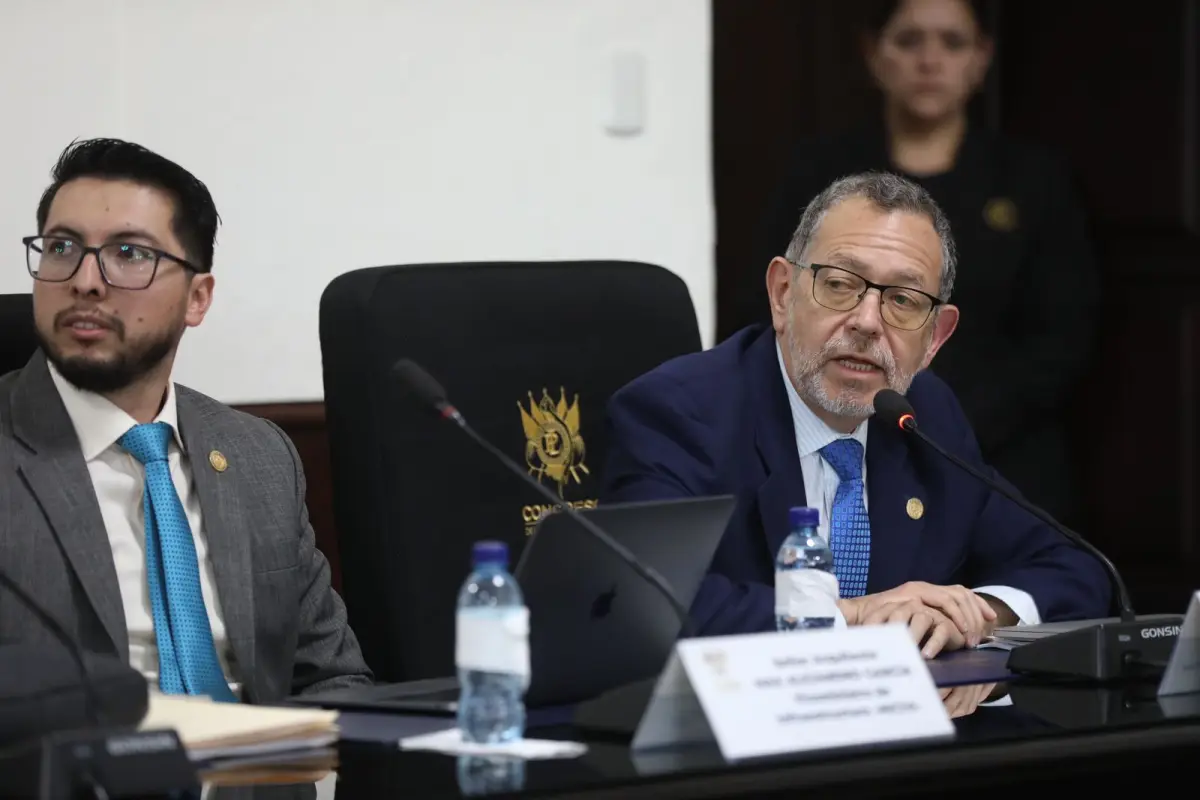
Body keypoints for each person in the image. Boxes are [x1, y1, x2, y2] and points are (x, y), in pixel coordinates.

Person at [603, 171, 1110, 652]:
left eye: (904, 300)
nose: (867, 322)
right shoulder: (678, 413)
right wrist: (856, 616)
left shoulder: (927, 416)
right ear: (783, 294)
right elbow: (649, 603)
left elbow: (1074, 568)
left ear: (935, 337)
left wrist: (974, 611)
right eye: (841, 284)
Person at [0, 138, 372, 702]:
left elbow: (331, 676)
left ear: (198, 298)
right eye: (61, 247)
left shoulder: (259, 456)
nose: (84, 280)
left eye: (129, 253)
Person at [732, 0, 1098, 529]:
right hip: (838, 437)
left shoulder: (1034, 180)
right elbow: (765, 314)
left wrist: (942, 418)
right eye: (909, 41)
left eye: (952, 43)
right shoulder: (818, 172)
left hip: (1001, 451)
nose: (930, 60)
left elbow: (1063, 336)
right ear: (873, 53)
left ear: (981, 59)